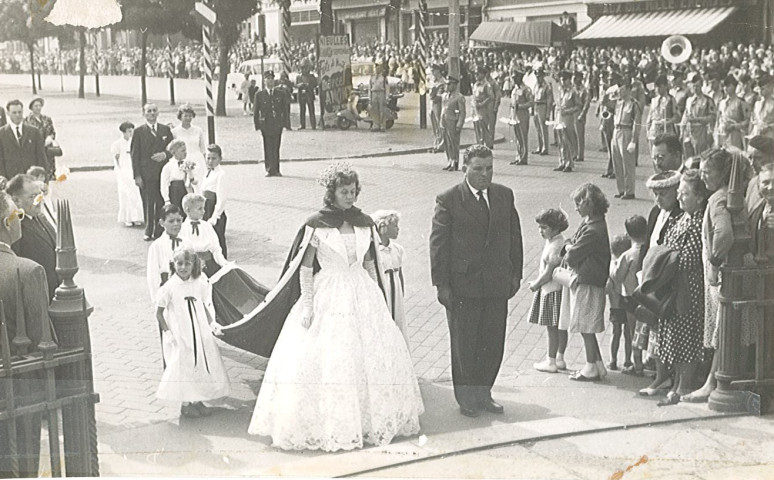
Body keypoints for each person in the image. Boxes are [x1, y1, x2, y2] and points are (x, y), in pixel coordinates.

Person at [248, 162, 424, 451]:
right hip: (328, 290)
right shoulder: (317, 224)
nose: (350, 197)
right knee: (332, 358)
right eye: (344, 192)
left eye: (353, 191)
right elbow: (305, 269)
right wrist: (307, 306)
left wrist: (377, 300)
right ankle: (332, 426)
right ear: (332, 193)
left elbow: (370, 264)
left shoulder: (363, 222)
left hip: (361, 291)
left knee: (368, 357)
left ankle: (368, 421)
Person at [430, 145, 523, 417]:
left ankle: (484, 393)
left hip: (496, 284)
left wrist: (515, 274)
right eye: (478, 169)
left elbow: (515, 238)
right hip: (463, 287)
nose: (485, 174)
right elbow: (438, 245)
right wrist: (442, 285)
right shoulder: (448, 200)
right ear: (464, 169)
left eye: (490, 169)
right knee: (465, 345)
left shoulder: (504, 196)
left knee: (493, 343)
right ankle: (467, 398)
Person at [0, 190, 54, 477]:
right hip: (19, 388)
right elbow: (44, 341)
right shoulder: (28, 271)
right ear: (8, 223)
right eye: (18, 215)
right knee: (21, 462)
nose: (21, 220)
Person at [680, 149, 734, 403]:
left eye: (708, 172)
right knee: (719, 331)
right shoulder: (719, 196)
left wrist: (714, 262)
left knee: (720, 331)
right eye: (701, 171)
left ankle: (711, 383)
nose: (703, 176)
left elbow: (724, 234)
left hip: (718, 277)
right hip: (717, 277)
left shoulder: (717, 200)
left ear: (723, 173)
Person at [155, 246, 230, 418]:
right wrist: (168, 333)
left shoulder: (198, 283)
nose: (183, 268)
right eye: (179, 263)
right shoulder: (169, 287)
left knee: (200, 363)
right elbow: (159, 313)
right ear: (173, 264)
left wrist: (212, 324)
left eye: (187, 264)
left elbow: (202, 305)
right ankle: (185, 404)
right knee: (184, 365)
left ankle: (197, 400)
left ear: (193, 265)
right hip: (180, 333)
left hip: (198, 330)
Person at [656, 169, 709, 406]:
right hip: (675, 287)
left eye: (684, 194)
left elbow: (687, 260)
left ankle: (684, 384)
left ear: (699, 197)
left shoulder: (698, 222)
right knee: (674, 336)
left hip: (688, 288)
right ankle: (677, 383)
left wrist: (664, 256)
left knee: (686, 336)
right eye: (679, 193)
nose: (680, 198)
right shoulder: (683, 218)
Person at [561, 183, 611, 381]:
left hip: (588, 281)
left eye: (578, 203)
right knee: (586, 324)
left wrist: (568, 249)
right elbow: (571, 242)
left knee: (584, 325)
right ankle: (598, 363)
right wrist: (569, 247)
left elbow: (572, 253)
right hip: (588, 279)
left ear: (589, 204)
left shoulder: (592, 229)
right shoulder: (592, 222)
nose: (576, 208)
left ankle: (590, 366)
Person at [528, 208, 569, 373]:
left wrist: (535, 284)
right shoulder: (559, 241)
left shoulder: (554, 246)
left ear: (555, 227)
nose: (540, 231)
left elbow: (548, 273)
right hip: (559, 290)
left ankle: (550, 361)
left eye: (544, 228)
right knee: (561, 326)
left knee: (551, 328)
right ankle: (560, 358)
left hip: (550, 291)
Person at [6, 174, 59, 300]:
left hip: (55, 292)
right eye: (32, 196)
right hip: (36, 297)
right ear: (16, 200)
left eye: (39, 194)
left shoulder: (40, 217)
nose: (39, 200)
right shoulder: (16, 227)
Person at [131, 103, 173, 241]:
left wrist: (165, 154)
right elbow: (134, 155)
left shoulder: (165, 130)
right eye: (149, 111)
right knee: (148, 203)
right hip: (146, 174)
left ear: (158, 113)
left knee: (161, 201)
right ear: (143, 114)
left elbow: (173, 148)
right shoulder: (138, 132)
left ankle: (159, 230)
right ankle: (148, 230)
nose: (152, 113)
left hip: (163, 173)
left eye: (155, 110)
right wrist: (137, 176)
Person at [371, 209, 409, 346]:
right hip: (382, 292)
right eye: (395, 226)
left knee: (398, 322)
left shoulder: (397, 249)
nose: (398, 229)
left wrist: (401, 294)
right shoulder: (373, 251)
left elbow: (400, 275)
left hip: (396, 293)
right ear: (383, 227)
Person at [178, 193, 228, 278]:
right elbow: (179, 251)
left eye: (203, 208)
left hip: (209, 266)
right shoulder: (182, 229)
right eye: (200, 209)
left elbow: (216, 248)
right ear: (188, 210)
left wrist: (223, 263)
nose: (203, 211)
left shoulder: (207, 226)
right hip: (191, 268)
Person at [253, 70, 289, 177]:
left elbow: (285, 110)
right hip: (266, 125)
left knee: (276, 147)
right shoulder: (259, 95)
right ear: (264, 81)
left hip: (277, 124)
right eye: (268, 79)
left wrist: (285, 124)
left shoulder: (280, 94)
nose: (270, 81)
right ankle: (269, 169)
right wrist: (257, 125)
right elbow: (256, 111)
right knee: (267, 147)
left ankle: (276, 169)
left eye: (272, 79)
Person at [147, 203, 185, 303]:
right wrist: (156, 299)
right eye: (171, 221)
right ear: (162, 222)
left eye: (179, 220)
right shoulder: (157, 246)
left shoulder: (187, 241)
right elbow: (153, 275)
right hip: (167, 288)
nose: (176, 224)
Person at [0, 99, 47, 180]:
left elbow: (41, 157)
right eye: (14, 113)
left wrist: (44, 181)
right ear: (8, 113)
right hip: (11, 181)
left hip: (31, 180)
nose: (18, 115)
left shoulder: (34, 132)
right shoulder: (2, 134)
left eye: (20, 112)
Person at [610, 80, 641, 199]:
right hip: (616, 131)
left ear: (629, 89)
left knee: (627, 164)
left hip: (626, 131)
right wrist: (610, 91)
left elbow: (637, 123)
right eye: (619, 89)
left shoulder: (634, 104)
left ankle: (630, 191)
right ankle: (621, 189)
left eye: (622, 89)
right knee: (616, 162)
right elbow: (604, 103)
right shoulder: (618, 102)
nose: (620, 91)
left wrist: (634, 140)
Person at [607, 233, 632, 371]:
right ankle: (628, 360)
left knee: (615, 333)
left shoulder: (610, 265)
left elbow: (609, 286)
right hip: (627, 302)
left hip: (615, 304)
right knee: (628, 334)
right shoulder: (627, 262)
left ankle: (613, 360)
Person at [111, 121, 143, 226]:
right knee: (126, 195)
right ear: (123, 132)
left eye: (132, 131)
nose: (131, 133)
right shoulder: (117, 144)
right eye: (129, 131)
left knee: (136, 194)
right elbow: (116, 160)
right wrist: (120, 173)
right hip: (123, 171)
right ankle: (127, 218)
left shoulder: (134, 142)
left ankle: (137, 217)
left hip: (133, 170)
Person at [200, 144, 227, 258]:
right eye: (208, 158)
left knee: (218, 239)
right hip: (205, 208)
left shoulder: (221, 174)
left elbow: (221, 198)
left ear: (220, 159)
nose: (210, 161)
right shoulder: (207, 172)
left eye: (214, 158)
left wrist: (215, 216)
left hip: (213, 209)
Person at [681, 72, 716, 158]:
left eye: (697, 86)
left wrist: (697, 119)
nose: (696, 88)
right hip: (689, 132)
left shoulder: (707, 100)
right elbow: (685, 116)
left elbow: (712, 117)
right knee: (688, 158)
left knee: (700, 157)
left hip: (701, 132)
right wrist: (682, 130)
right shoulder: (689, 100)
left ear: (701, 86)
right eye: (694, 86)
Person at [171, 104, 207, 187]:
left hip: (198, 160)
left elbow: (203, 149)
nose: (188, 118)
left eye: (190, 116)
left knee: (199, 184)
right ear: (180, 117)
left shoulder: (198, 130)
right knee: (186, 186)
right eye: (185, 116)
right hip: (183, 160)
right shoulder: (174, 131)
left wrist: (205, 163)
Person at [24, 97, 58, 181]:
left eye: (39, 105)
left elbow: (52, 131)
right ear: (31, 107)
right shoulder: (27, 120)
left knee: (49, 169)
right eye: (36, 106)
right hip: (35, 149)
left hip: (48, 149)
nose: (38, 108)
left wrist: (50, 137)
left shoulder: (47, 119)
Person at [554, 71, 580, 173]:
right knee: (560, 141)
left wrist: (568, 111)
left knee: (568, 140)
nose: (563, 82)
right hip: (559, 117)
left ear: (569, 80)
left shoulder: (573, 92)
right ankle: (562, 161)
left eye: (565, 79)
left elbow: (578, 106)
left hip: (568, 118)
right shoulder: (560, 91)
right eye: (561, 79)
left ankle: (569, 163)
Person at [160, 140, 196, 213]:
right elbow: (164, 185)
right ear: (174, 152)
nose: (185, 152)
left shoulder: (188, 163)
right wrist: (167, 200)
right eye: (182, 151)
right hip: (175, 192)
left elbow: (193, 179)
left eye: (185, 150)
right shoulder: (168, 166)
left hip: (187, 190)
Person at [714, 75, 748, 150]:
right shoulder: (721, 102)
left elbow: (747, 121)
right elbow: (718, 120)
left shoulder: (740, 102)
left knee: (734, 157)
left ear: (734, 87)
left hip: (735, 135)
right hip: (723, 134)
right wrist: (716, 135)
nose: (725, 88)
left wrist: (734, 126)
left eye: (728, 86)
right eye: (724, 86)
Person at [646, 75, 677, 155]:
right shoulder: (654, 100)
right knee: (654, 155)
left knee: (665, 155)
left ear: (666, 87)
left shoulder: (671, 99)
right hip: (654, 130)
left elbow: (677, 116)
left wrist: (668, 122)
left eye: (660, 87)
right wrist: (648, 131)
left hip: (666, 130)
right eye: (656, 87)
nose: (658, 89)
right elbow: (650, 116)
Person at [440, 76, 466, 171]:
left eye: (449, 84)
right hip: (444, 122)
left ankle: (455, 162)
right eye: (447, 84)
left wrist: (459, 124)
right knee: (447, 143)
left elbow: (462, 112)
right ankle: (449, 160)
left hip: (453, 122)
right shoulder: (445, 95)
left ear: (455, 85)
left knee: (454, 143)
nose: (447, 86)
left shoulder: (459, 97)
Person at [509, 69, 532, 165]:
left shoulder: (526, 89)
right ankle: (518, 156)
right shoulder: (514, 89)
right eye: (513, 78)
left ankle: (523, 157)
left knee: (523, 136)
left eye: (515, 78)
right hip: (515, 115)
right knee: (517, 136)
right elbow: (512, 103)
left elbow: (531, 102)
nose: (513, 79)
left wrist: (520, 106)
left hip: (523, 114)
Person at [472, 68, 494, 148]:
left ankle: (486, 146)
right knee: (477, 127)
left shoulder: (486, 85)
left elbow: (491, 97)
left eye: (477, 74)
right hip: (475, 109)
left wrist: (482, 104)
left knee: (483, 128)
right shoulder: (475, 84)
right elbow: (474, 96)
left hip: (483, 109)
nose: (476, 75)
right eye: (475, 74)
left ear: (483, 74)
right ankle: (479, 145)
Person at [532, 70, 553, 156]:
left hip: (543, 106)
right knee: (538, 128)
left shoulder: (547, 87)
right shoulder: (536, 85)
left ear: (543, 76)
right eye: (537, 76)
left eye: (539, 76)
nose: (538, 78)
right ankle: (539, 146)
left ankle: (545, 148)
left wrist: (548, 113)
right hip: (536, 106)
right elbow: (533, 97)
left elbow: (549, 101)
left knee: (543, 128)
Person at [749, 74, 774, 140]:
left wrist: (768, 127)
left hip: (770, 136)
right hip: (757, 134)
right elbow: (753, 120)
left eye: (763, 89)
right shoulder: (757, 104)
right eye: (759, 89)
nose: (760, 91)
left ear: (771, 87)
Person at [574, 72, 591, 163]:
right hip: (572, 113)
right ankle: (574, 153)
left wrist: (583, 114)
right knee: (573, 135)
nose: (575, 79)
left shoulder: (584, 90)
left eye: (577, 78)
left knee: (579, 135)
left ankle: (580, 155)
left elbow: (586, 103)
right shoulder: (573, 89)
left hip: (580, 112)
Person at [428, 65, 445, 152]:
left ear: (438, 70)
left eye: (433, 71)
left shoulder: (442, 82)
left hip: (439, 105)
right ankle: (436, 143)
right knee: (434, 126)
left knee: (439, 124)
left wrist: (433, 96)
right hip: (432, 105)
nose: (432, 72)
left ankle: (441, 144)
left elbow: (439, 96)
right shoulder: (433, 81)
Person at [296, 61, 318, 130]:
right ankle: (302, 124)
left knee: (311, 110)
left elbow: (315, 84)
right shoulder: (299, 77)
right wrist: (300, 85)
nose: (304, 70)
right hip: (301, 95)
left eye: (306, 68)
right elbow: (296, 85)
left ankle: (313, 125)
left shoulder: (311, 76)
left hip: (309, 94)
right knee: (302, 110)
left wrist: (309, 85)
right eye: (303, 68)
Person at [368, 63, 388, 132]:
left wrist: (387, 97)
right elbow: (369, 87)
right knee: (374, 110)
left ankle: (382, 125)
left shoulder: (384, 77)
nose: (377, 70)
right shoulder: (372, 77)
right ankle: (376, 125)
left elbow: (387, 88)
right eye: (376, 68)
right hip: (374, 93)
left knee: (382, 110)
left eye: (379, 68)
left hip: (381, 93)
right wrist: (370, 98)